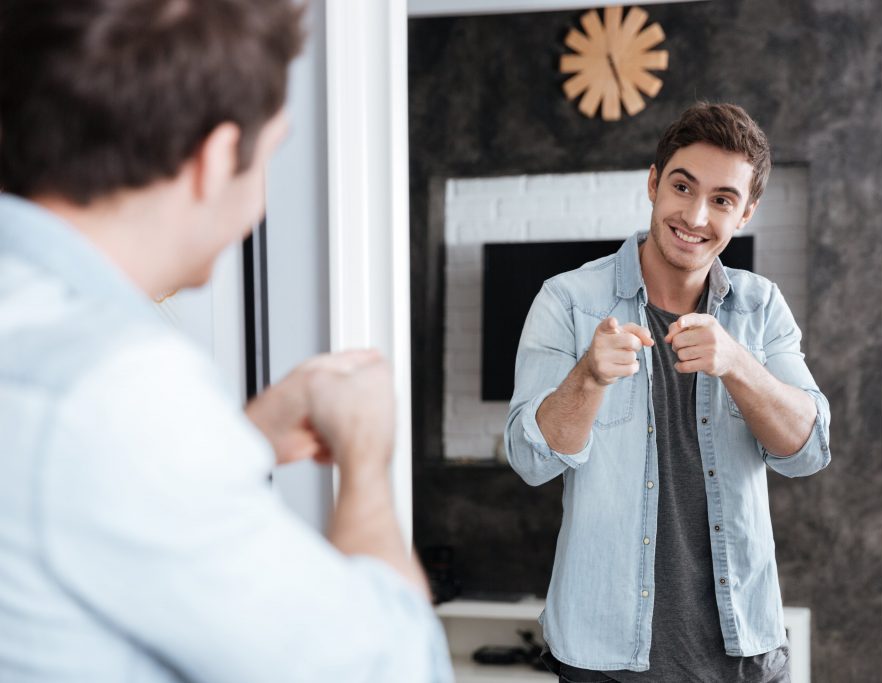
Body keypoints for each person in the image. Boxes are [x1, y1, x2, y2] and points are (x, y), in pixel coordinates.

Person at [0, 1, 452, 681]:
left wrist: (245, 435)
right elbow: (395, 668)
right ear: (214, 161)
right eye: (270, 151)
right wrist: (364, 460)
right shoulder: (118, 387)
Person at [505, 102, 831, 682]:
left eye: (723, 200)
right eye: (683, 186)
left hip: (744, 656)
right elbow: (531, 459)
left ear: (746, 211)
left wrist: (736, 363)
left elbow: (807, 450)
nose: (696, 214)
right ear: (654, 183)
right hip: (606, 659)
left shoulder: (761, 308)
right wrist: (589, 377)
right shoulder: (568, 301)